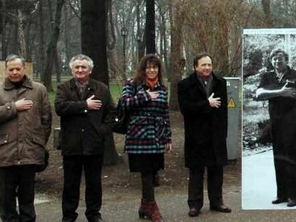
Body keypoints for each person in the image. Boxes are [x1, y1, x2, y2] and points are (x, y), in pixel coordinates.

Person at [0, 55, 51, 222]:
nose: (14, 72)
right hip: (6, 151)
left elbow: (46, 119)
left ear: (24, 69)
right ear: (6, 71)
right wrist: (13, 107)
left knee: (27, 196)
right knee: (6, 198)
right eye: (11, 69)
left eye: (17, 69)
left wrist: (39, 142)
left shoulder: (39, 89)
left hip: (30, 150)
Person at [55, 54, 116, 222]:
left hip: (93, 143)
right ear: (72, 69)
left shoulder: (101, 89)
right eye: (77, 67)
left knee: (94, 184)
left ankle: (94, 214)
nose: (80, 70)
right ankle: (68, 216)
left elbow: (111, 111)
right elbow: (60, 107)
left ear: (90, 69)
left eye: (83, 67)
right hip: (72, 144)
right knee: (70, 184)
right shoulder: (64, 88)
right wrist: (84, 105)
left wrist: (102, 131)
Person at [254, 49, 296, 207]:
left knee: (292, 157)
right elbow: (259, 94)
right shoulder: (268, 76)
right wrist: (280, 92)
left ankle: (295, 195)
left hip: (292, 119)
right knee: (278, 156)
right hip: (275, 120)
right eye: (274, 59)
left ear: (286, 60)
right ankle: (282, 194)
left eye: (280, 59)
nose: (277, 62)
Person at [118, 54, 172, 222]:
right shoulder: (132, 84)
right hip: (138, 136)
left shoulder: (163, 88)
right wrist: (146, 96)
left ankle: (144, 205)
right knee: (146, 172)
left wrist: (168, 138)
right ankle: (152, 207)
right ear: (143, 69)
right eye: (148, 67)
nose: (151, 70)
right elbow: (124, 103)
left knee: (153, 172)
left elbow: (165, 113)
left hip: (156, 136)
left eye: (154, 67)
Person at [178, 53, 231, 216]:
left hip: (216, 135)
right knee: (196, 171)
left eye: (209, 64)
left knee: (216, 171)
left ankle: (217, 202)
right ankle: (195, 205)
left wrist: (223, 133)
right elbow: (185, 109)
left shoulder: (220, 83)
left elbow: (223, 112)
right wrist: (206, 104)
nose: (207, 68)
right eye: (203, 65)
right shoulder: (185, 85)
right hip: (196, 135)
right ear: (195, 67)